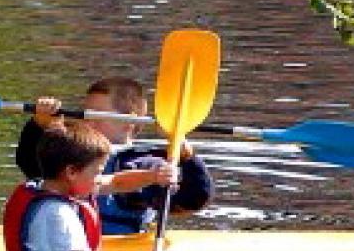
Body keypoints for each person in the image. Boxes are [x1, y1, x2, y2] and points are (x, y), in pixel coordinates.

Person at [15, 77, 212, 235]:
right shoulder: (74, 152)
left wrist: (187, 157)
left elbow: (193, 199)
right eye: (87, 114)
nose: (88, 122)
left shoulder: (143, 162)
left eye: (98, 114)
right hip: (64, 240)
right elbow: (31, 167)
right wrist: (41, 126)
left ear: (129, 121)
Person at [3, 119, 164, 251]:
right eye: (97, 172)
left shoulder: (48, 186)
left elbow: (116, 181)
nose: (100, 178)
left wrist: (154, 176)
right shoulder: (57, 213)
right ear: (71, 172)